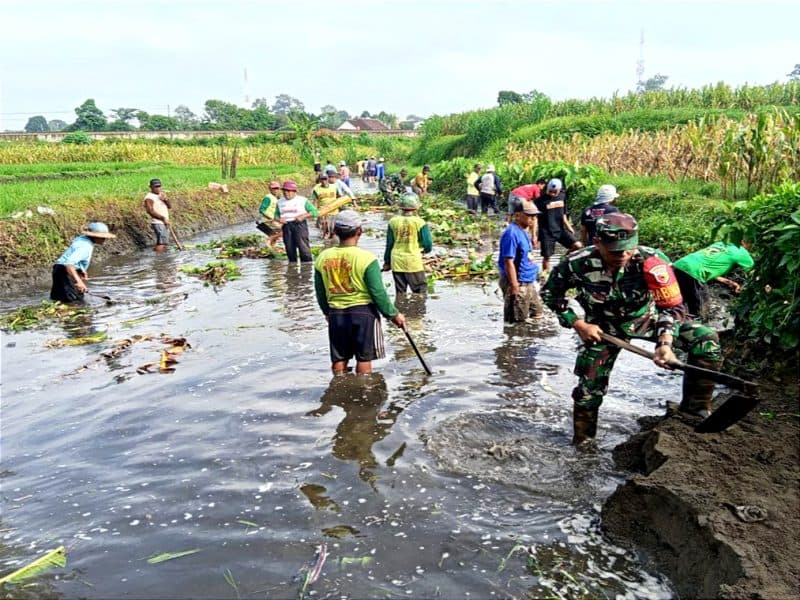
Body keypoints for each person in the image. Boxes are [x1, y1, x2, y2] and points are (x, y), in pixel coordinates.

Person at [541, 213, 723, 444]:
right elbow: (550, 294)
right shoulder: (577, 262)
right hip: (602, 328)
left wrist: (665, 343)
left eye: (628, 249)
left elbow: (672, 306)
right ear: (597, 242)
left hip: (645, 319)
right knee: (587, 391)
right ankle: (583, 443)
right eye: (615, 251)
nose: (623, 255)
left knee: (705, 339)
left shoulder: (653, 261)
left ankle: (695, 409)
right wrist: (579, 324)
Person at [314, 210, 406, 374]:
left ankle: (338, 387)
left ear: (335, 231)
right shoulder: (367, 258)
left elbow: (320, 291)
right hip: (363, 314)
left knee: (339, 358)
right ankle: (363, 392)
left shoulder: (323, 257)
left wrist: (327, 312)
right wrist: (393, 315)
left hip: (336, 314)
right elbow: (378, 293)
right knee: (364, 358)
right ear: (359, 232)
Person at [672, 240, 754, 318]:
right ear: (745, 242)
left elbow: (707, 264)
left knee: (678, 303)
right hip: (695, 273)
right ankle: (699, 328)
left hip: (679, 266)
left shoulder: (721, 244)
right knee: (700, 311)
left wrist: (728, 282)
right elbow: (755, 273)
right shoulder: (742, 251)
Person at [498, 201, 544, 323]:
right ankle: (513, 340)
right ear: (517, 215)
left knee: (538, 313)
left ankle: (529, 339)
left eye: (535, 216)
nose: (533, 219)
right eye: (529, 215)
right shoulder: (511, 234)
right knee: (516, 321)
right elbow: (508, 261)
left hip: (528, 281)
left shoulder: (524, 230)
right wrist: (514, 286)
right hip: (518, 282)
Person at [50, 222, 116, 302]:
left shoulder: (82, 239)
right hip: (65, 272)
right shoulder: (85, 246)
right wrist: (79, 282)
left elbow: (70, 257)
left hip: (58, 269)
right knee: (73, 301)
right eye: (102, 237)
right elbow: (68, 264)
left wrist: (81, 269)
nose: (104, 239)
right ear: (94, 236)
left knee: (60, 299)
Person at [382, 192, 433, 294]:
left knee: (400, 292)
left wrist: (387, 262)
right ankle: (418, 309)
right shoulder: (420, 222)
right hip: (413, 261)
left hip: (397, 261)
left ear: (400, 207)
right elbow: (427, 244)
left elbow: (389, 245)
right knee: (420, 291)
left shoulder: (393, 222)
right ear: (416, 207)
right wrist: (424, 251)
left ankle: (401, 308)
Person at [535, 178, 582, 273]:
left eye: (555, 191)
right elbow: (534, 219)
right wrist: (534, 235)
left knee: (578, 245)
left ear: (559, 190)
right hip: (546, 232)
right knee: (547, 256)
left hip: (560, 229)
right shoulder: (539, 201)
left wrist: (569, 227)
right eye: (551, 191)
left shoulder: (562, 196)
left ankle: (564, 259)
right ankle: (546, 275)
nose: (552, 193)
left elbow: (563, 214)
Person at [276, 180, 318, 262]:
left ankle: (307, 267)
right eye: (284, 191)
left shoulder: (302, 200)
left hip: (299, 225)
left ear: (294, 191)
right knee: (289, 249)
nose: (286, 193)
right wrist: (279, 219)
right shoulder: (280, 202)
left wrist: (303, 216)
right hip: (286, 226)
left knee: (303, 248)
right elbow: (276, 215)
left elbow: (314, 212)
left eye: (288, 191)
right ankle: (292, 268)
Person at [144, 178, 172, 252]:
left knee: (164, 242)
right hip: (158, 222)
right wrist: (162, 218)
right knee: (161, 243)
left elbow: (169, 207)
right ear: (151, 187)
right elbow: (150, 211)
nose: (158, 188)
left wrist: (165, 199)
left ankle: (161, 257)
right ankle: (158, 259)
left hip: (164, 221)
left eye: (159, 186)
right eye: (156, 187)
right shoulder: (149, 197)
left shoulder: (161, 195)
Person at [256, 180, 284, 248]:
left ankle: (271, 248)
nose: (275, 190)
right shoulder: (268, 198)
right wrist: (270, 218)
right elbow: (261, 210)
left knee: (274, 235)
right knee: (284, 230)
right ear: (270, 189)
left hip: (273, 220)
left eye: (277, 188)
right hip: (268, 220)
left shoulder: (275, 198)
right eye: (273, 188)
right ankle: (268, 240)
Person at [312, 172, 339, 240]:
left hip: (334, 212)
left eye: (325, 179)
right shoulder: (316, 189)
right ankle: (325, 245)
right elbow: (315, 202)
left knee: (333, 231)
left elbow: (339, 198)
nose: (324, 181)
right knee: (325, 232)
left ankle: (332, 244)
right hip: (323, 213)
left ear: (328, 179)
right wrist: (315, 213)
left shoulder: (334, 187)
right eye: (322, 179)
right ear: (320, 180)